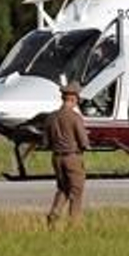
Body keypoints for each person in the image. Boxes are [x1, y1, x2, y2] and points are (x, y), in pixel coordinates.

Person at [44, 81, 91, 225]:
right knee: (76, 192)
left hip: (56, 158)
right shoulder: (75, 117)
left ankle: (54, 214)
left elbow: (46, 142)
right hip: (72, 157)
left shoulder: (51, 117)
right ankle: (73, 223)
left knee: (62, 188)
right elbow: (84, 142)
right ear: (74, 98)